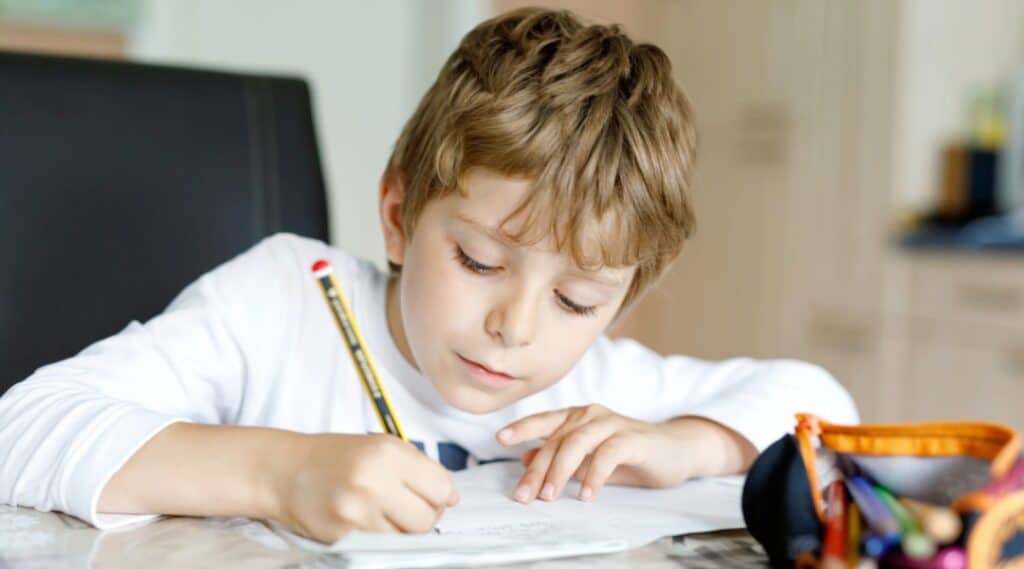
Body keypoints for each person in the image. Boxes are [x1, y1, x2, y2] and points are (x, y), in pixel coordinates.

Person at [0, 7, 857, 544]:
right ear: (401, 215)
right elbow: (21, 429)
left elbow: (821, 402)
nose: (517, 328)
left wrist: (685, 444)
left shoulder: (590, 386)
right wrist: (282, 472)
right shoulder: (282, 301)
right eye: (479, 260)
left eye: (576, 298)